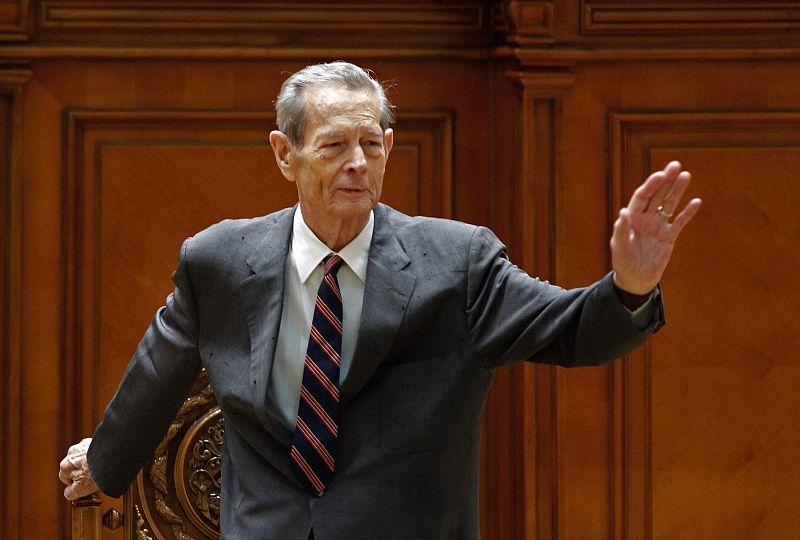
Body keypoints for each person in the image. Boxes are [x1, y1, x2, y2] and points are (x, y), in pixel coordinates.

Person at [59, 61, 702, 539]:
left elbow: (569, 331)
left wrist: (630, 287)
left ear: (390, 148)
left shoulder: (459, 262)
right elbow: (158, 372)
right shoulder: (219, 261)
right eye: (334, 146)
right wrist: (108, 463)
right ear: (285, 155)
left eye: (371, 144)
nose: (357, 164)